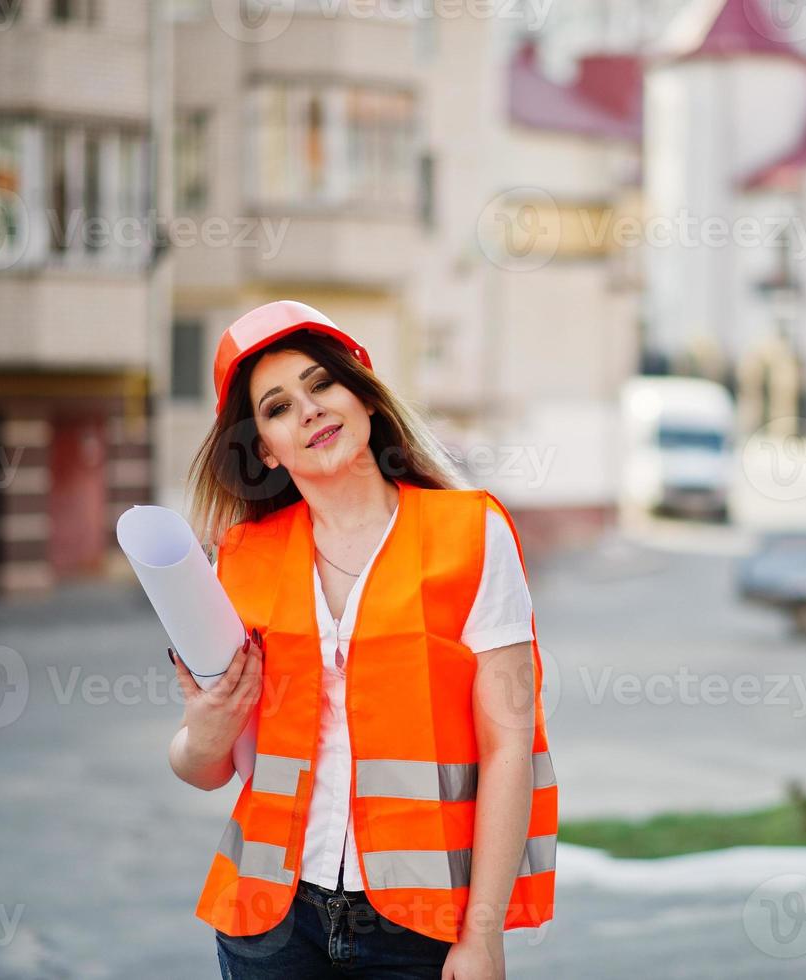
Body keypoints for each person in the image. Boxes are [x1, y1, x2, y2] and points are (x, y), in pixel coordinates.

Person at [166, 300, 557, 980]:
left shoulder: (471, 533)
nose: (309, 410)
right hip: (269, 918)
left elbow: (506, 748)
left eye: (322, 385)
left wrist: (483, 933)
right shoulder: (238, 559)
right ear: (264, 448)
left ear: (365, 397)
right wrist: (204, 730)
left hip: (420, 923)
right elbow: (206, 768)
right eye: (278, 407)